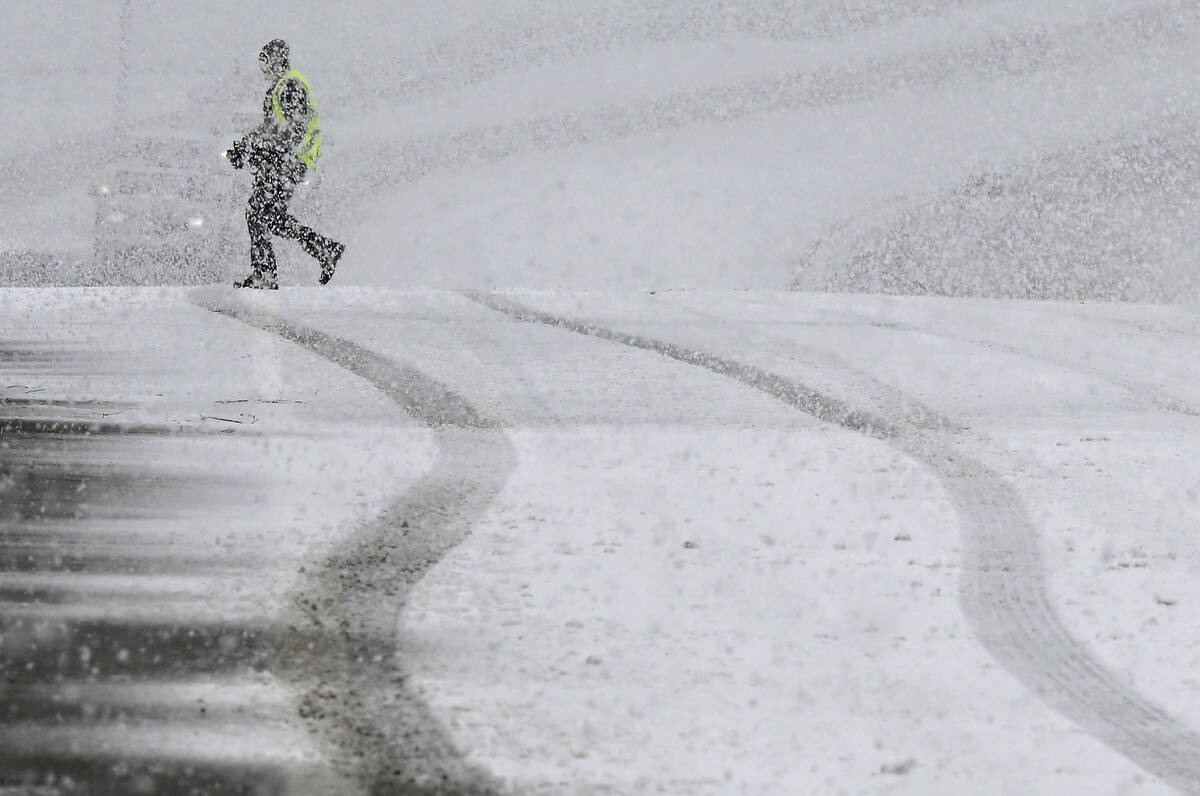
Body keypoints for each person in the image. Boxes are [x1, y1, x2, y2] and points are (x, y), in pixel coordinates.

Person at [226, 39, 344, 289]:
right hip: (283, 162)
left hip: (290, 162)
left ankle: (265, 275)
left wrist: (257, 148)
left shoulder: (290, 86)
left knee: (257, 212)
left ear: (277, 62)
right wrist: (246, 145)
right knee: (270, 217)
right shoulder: (279, 88)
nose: (263, 71)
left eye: (266, 64)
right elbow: (271, 128)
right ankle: (324, 249)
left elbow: (292, 131)